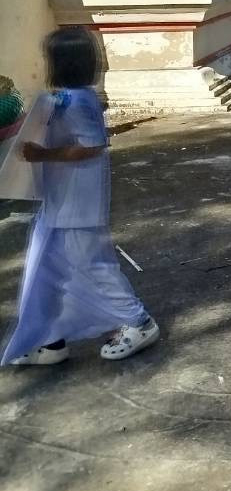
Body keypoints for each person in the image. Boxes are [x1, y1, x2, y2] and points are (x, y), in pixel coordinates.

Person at [2, 28, 160, 367]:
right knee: (43, 269)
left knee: (93, 267)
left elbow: (92, 146)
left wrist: (42, 154)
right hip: (61, 202)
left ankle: (139, 322)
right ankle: (50, 339)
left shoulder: (79, 101)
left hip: (78, 205)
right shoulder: (70, 97)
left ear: (61, 64)